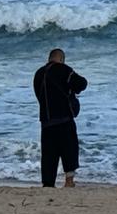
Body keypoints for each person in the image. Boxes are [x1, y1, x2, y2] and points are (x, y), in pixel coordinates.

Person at [33, 47, 88, 188]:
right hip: (64, 118)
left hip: (46, 121)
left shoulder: (38, 74)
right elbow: (82, 83)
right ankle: (69, 182)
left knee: (48, 155)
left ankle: (48, 184)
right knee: (69, 149)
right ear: (61, 59)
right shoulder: (64, 70)